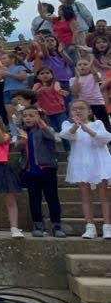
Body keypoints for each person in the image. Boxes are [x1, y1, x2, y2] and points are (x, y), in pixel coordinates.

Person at [59, 100, 111, 239]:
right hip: (80, 162)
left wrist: (86, 128)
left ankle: (107, 226)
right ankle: (90, 226)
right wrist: (76, 126)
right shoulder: (67, 124)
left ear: (89, 111)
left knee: (104, 194)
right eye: (74, 109)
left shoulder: (97, 123)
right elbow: (66, 135)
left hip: (99, 161)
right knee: (85, 195)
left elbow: (105, 138)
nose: (78, 111)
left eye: (81, 108)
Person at [15, 107, 65, 238]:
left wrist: (42, 124)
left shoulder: (46, 129)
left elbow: (53, 138)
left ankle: (56, 225)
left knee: (52, 198)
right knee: (34, 199)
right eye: (25, 116)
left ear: (39, 117)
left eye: (31, 115)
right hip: (30, 170)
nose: (27, 118)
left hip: (47, 168)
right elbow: (17, 147)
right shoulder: (23, 131)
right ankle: (37, 224)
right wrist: (22, 141)